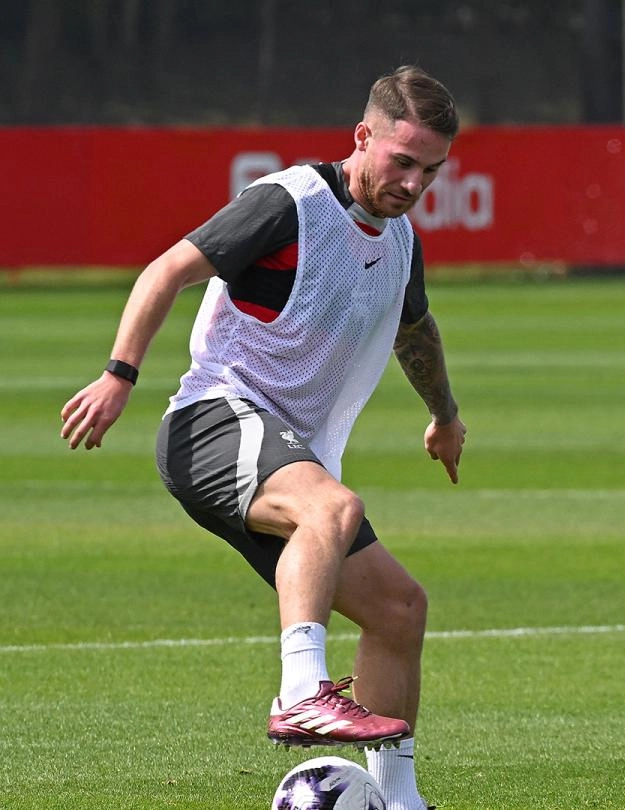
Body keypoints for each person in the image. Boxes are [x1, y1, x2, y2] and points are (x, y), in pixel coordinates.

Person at [60, 65, 465, 810]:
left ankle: (399, 800)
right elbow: (167, 269)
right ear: (362, 137)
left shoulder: (400, 240)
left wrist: (444, 413)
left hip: (283, 454)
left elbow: (416, 330)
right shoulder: (290, 203)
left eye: (430, 170)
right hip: (211, 423)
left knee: (400, 609)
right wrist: (120, 372)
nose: (413, 182)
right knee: (331, 508)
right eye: (401, 161)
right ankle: (301, 693)